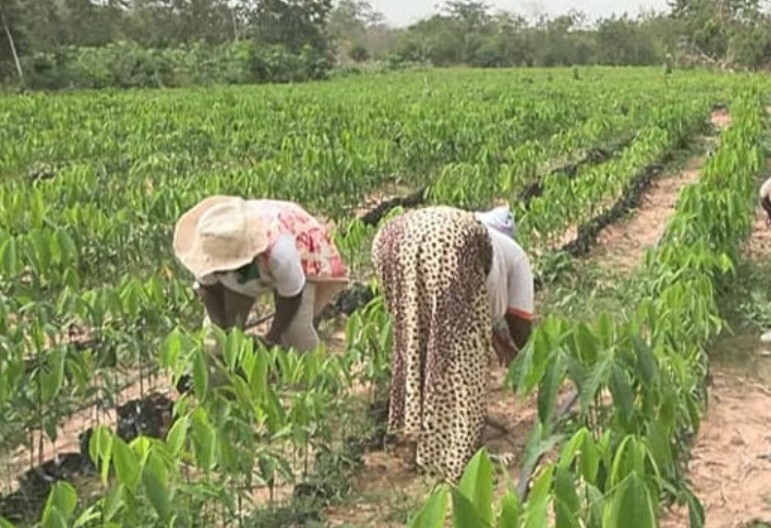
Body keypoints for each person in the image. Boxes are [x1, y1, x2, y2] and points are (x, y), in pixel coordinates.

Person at [370, 204, 534, 481]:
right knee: (461, 359)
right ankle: (457, 457)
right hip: (450, 244)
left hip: (391, 238)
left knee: (417, 340)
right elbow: (520, 322)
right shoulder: (515, 255)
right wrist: (530, 355)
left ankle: (414, 435)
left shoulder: (484, 240)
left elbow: (491, 305)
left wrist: (497, 340)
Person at [173, 195, 349, 353]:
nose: (219, 272)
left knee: (296, 332)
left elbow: (291, 297)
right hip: (257, 260)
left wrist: (271, 338)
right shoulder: (210, 243)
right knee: (214, 339)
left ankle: (313, 375)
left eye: (224, 266)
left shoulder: (281, 251)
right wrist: (220, 329)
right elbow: (209, 289)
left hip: (300, 247)